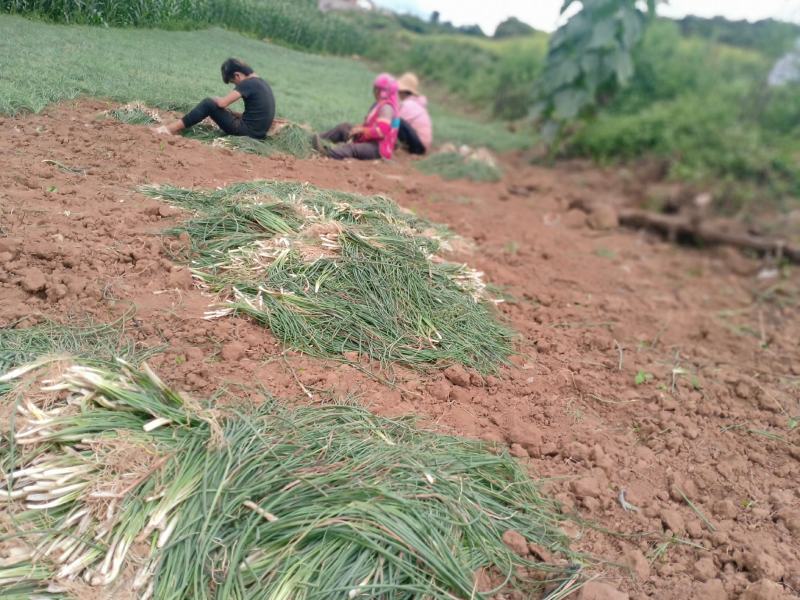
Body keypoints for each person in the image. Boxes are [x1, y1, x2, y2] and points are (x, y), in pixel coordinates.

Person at [153, 58, 275, 139]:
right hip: (258, 134)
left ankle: (170, 129)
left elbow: (222, 104)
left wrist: (216, 99)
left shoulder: (247, 83)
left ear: (237, 75)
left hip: (245, 132)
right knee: (228, 112)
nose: (236, 85)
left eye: (234, 82)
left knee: (208, 103)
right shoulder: (262, 83)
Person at [315, 73, 400, 160]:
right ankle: (319, 139)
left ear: (382, 92)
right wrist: (361, 128)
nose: (374, 91)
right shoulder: (380, 104)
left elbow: (382, 131)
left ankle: (328, 153)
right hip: (370, 140)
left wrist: (363, 130)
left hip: (378, 148)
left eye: (376, 89)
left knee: (351, 148)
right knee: (344, 127)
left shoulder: (387, 108)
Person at [397, 72, 432, 155]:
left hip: (418, 146)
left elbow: (396, 124)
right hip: (422, 145)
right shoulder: (416, 103)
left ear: (404, 91)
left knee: (397, 121)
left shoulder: (408, 104)